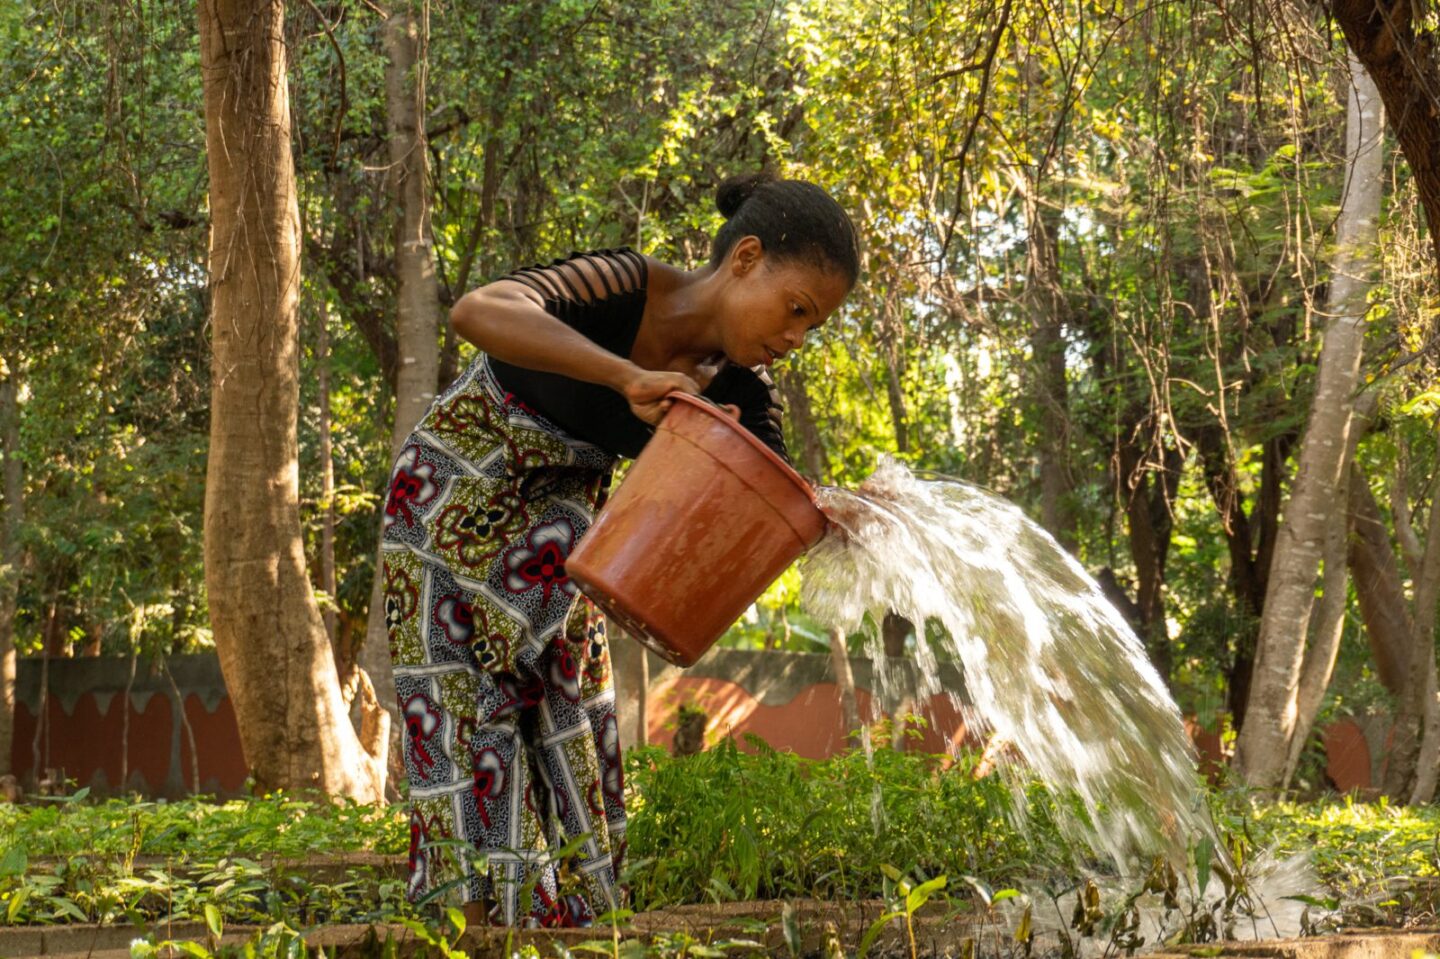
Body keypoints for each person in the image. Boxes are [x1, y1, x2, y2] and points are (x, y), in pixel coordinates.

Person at [381, 172, 859, 927]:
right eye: (795, 308)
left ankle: (580, 923)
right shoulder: (627, 284)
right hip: (449, 499)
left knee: (574, 723)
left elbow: (779, 503)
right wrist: (624, 374)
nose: (796, 336)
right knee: (463, 717)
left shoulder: (743, 395)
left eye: (813, 326)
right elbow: (481, 309)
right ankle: (469, 927)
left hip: (560, 545)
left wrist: (851, 512)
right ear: (745, 258)